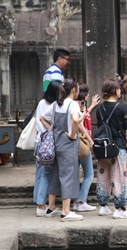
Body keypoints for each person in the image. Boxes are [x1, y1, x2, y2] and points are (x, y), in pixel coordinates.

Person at [40, 77, 83, 222]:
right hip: (68, 144)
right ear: (73, 90)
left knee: (56, 174)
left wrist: (52, 131)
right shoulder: (73, 104)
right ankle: (66, 211)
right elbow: (76, 120)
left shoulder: (56, 104)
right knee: (68, 176)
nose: (78, 91)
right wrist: (72, 135)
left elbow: (42, 118)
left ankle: (51, 207)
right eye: (77, 89)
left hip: (56, 143)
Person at [95, 78, 127, 219]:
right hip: (118, 145)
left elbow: (100, 124)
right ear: (116, 90)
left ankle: (103, 206)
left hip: (103, 145)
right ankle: (120, 208)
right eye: (119, 89)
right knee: (119, 176)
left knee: (103, 175)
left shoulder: (100, 107)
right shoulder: (121, 107)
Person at [34, 80, 63, 217]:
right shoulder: (52, 105)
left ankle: (40, 202)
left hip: (41, 140)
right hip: (47, 142)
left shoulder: (42, 103)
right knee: (45, 173)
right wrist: (52, 131)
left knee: (41, 173)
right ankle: (41, 203)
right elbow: (42, 121)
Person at [73, 82, 100, 212]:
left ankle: (76, 201)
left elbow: (83, 115)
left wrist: (92, 105)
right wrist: (90, 140)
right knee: (89, 174)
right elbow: (80, 124)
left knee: (76, 173)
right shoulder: (80, 105)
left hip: (75, 143)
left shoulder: (77, 105)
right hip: (83, 142)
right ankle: (81, 200)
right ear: (86, 94)